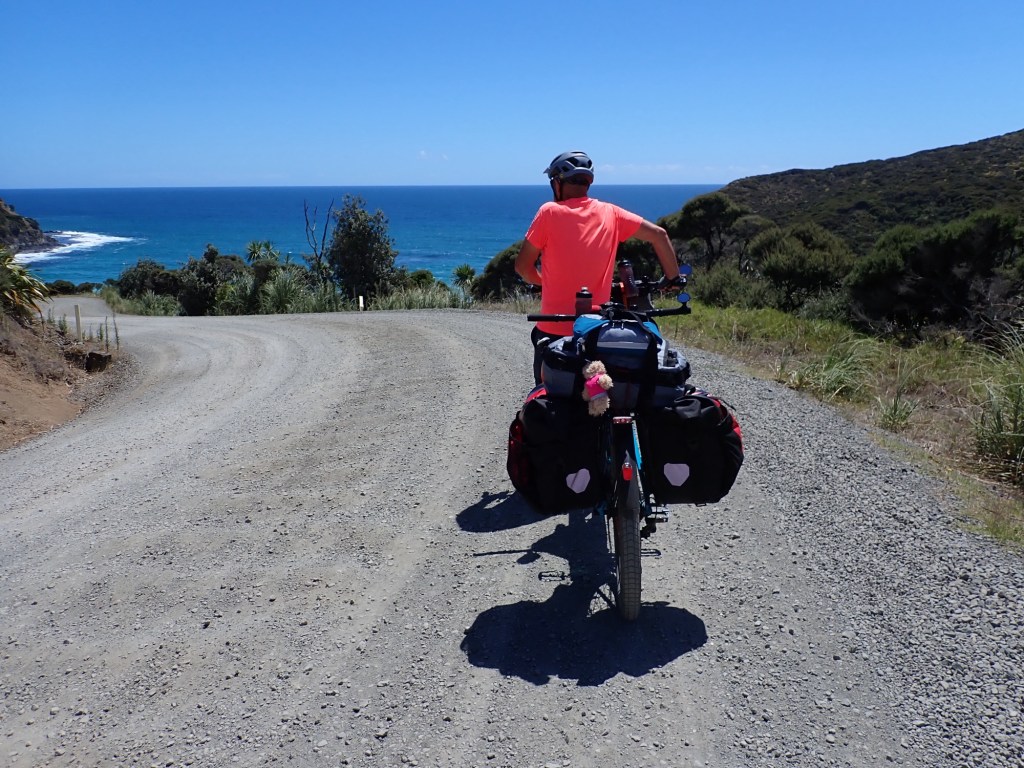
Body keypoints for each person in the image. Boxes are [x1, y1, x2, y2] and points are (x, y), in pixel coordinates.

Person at [515, 150, 681, 383]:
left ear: (557, 183)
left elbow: (523, 267)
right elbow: (659, 235)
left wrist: (545, 282)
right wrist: (673, 278)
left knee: (547, 395)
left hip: (554, 328)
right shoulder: (611, 213)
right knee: (599, 391)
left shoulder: (549, 212)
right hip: (597, 329)